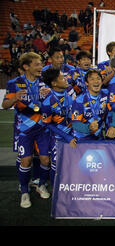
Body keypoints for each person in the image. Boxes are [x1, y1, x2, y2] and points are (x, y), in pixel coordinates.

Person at [2, 52, 51, 208]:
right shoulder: (14, 83)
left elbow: (48, 107)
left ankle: (41, 184)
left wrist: (50, 96)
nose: (40, 67)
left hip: (42, 128)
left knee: (45, 160)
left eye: (41, 64)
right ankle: (24, 191)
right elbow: (5, 105)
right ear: (26, 66)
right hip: (24, 130)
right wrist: (15, 98)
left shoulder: (44, 83)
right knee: (26, 160)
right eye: (37, 64)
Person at [41, 67, 76, 186]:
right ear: (54, 83)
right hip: (58, 138)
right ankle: (55, 193)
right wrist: (65, 136)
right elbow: (47, 123)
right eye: (62, 77)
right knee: (56, 166)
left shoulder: (70, 92)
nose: (66, 78)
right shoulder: (47, 102)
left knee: (72, 164)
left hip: (73, 135)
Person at [71, 69, 110, 141]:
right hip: (82, 138)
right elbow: (75, 124)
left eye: (98, 78)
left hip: (99, 137)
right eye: (92, 79)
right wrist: (88, 127)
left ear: (101, 82)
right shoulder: (79, 101)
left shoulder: (107, 94)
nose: (96, 81)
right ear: (86, 83)